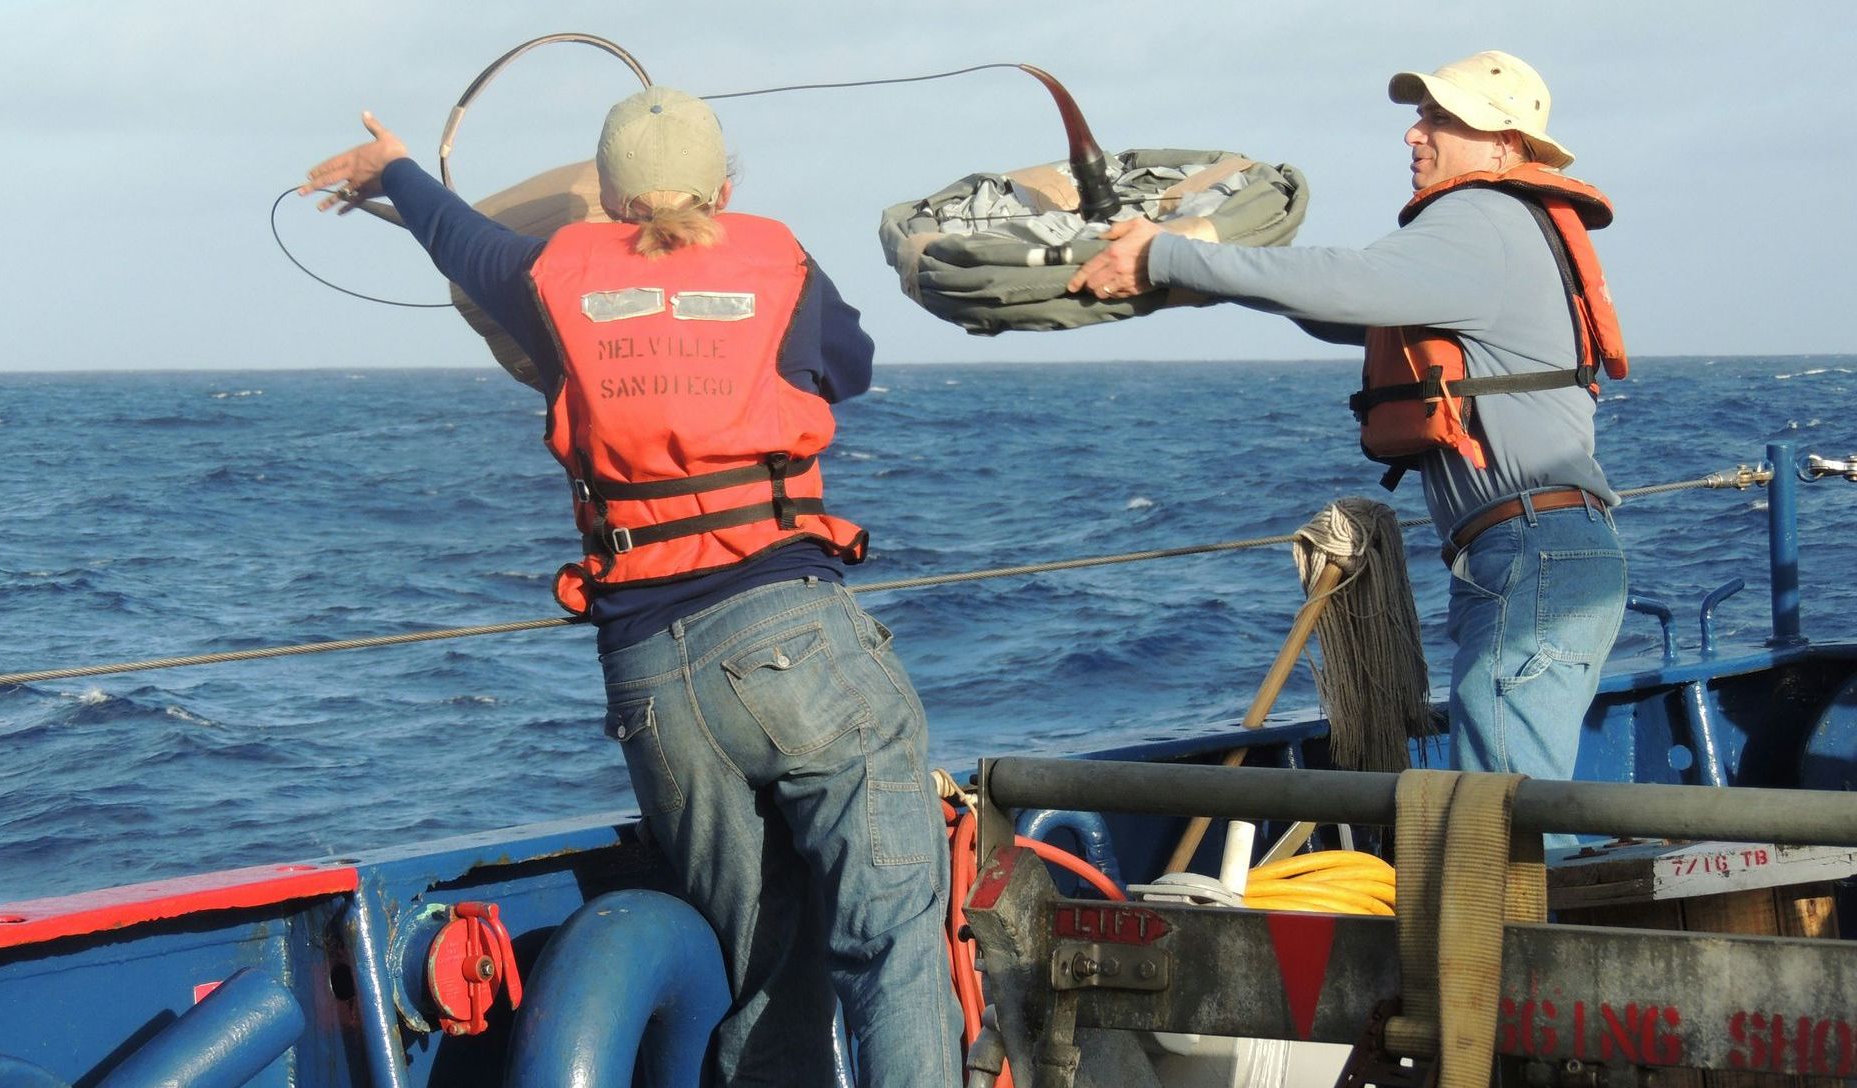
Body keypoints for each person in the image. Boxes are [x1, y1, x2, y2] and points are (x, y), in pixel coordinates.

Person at [301, 88, 958, 1087]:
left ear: (606, 200)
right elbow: (849, 366)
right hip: (794, 639)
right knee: (891, 941)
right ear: (725, 185)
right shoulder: (775, 256)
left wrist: (389, 169)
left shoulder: (554, 270)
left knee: (763, 967)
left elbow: (458, 238)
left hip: (652, 681)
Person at [1069, 51, 1628, 788]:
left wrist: (1169, 253)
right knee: (1500, 800)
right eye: (1419, 117)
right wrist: (1206, 280)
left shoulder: (1481, 216)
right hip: (1531, 553)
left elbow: (1343, 282)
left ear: (1502, 142)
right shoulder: (1500, 226)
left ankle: (1512, 907)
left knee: (1499, 815)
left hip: (1533, 551)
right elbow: (1346, 316)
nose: (1413, 135)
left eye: (1438, 119)